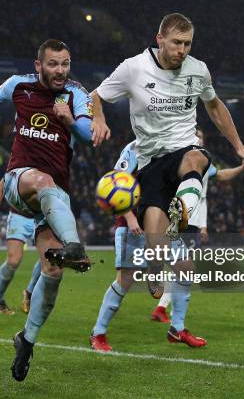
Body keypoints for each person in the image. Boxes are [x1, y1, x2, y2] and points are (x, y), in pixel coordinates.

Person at [0, 39, 109, 382]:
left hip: (53, 197)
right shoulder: (19, 85)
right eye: (54, 64)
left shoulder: (76, 95)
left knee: (52, 273)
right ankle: (75, 247)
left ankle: (26, 340)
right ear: (39, 65)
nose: (60, 71)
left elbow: (87, 135)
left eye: (66, 64)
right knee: (42, 182)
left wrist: (69, 120)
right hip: (19, 179)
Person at [91, 13, 244, 346]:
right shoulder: (133, 68)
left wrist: (239, 147)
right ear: (160, 39)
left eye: (187, 44)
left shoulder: (197, 70)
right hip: (150, 165)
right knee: (146, 262)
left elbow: (214, 107)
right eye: (176, 43)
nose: (183, 50)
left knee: (198, 158)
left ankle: (177, 327)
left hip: (183, 151)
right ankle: (101, 329)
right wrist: (97, 117)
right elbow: (95, 95)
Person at [151, 128, 244, 323]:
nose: (198, 138)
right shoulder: (176, 159)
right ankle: (164, 309)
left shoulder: (204, 163)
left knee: (181, 267)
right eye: (195, 135)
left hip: (194, 222)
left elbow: (221, 175)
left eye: (201, 136)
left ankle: (164, 307)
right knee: (183, 268)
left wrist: (240, 168)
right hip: (179, 219)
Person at [89, 140, 145, 351]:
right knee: (125, 279)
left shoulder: (169, 145)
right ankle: (98, 332)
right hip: (132, 225)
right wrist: (130, 217)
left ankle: (178, 328)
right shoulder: (134, 148)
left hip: (156, 222)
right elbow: (113, 184)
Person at [0, 177, 41, 315]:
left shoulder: (51, 163)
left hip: (42, 216)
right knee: (13, 261)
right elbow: (1, 187)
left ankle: (29, 292)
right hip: (19, 215)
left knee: (50, 256)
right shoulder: (22, 160)